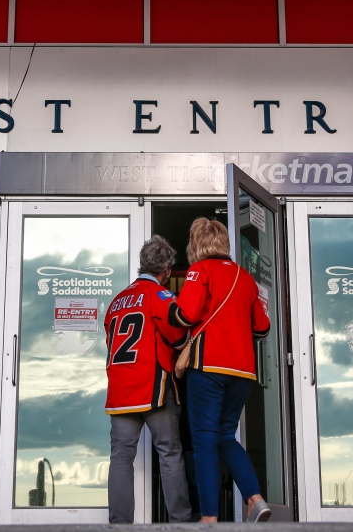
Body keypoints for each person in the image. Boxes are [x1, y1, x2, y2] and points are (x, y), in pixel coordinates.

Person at [171, 218, 271, 523]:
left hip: (208, 366)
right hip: (242, 371)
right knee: (225, 435)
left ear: (196, 245)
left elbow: (186, 315)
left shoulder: (198, 271)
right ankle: (254, 498)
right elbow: (263, 327)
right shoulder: (246, 278)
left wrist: (171, 311)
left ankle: (210, 517)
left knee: (204, 439)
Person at [104, 235, 192, 524]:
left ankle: (119, 526)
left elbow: (111, 341)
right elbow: (178, 336)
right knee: (169, 453)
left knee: (120, 458)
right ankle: (180, 523)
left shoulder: (117, 301)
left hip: (120, 390)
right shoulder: (160, 296)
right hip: (154, 387)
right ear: (166, 269)